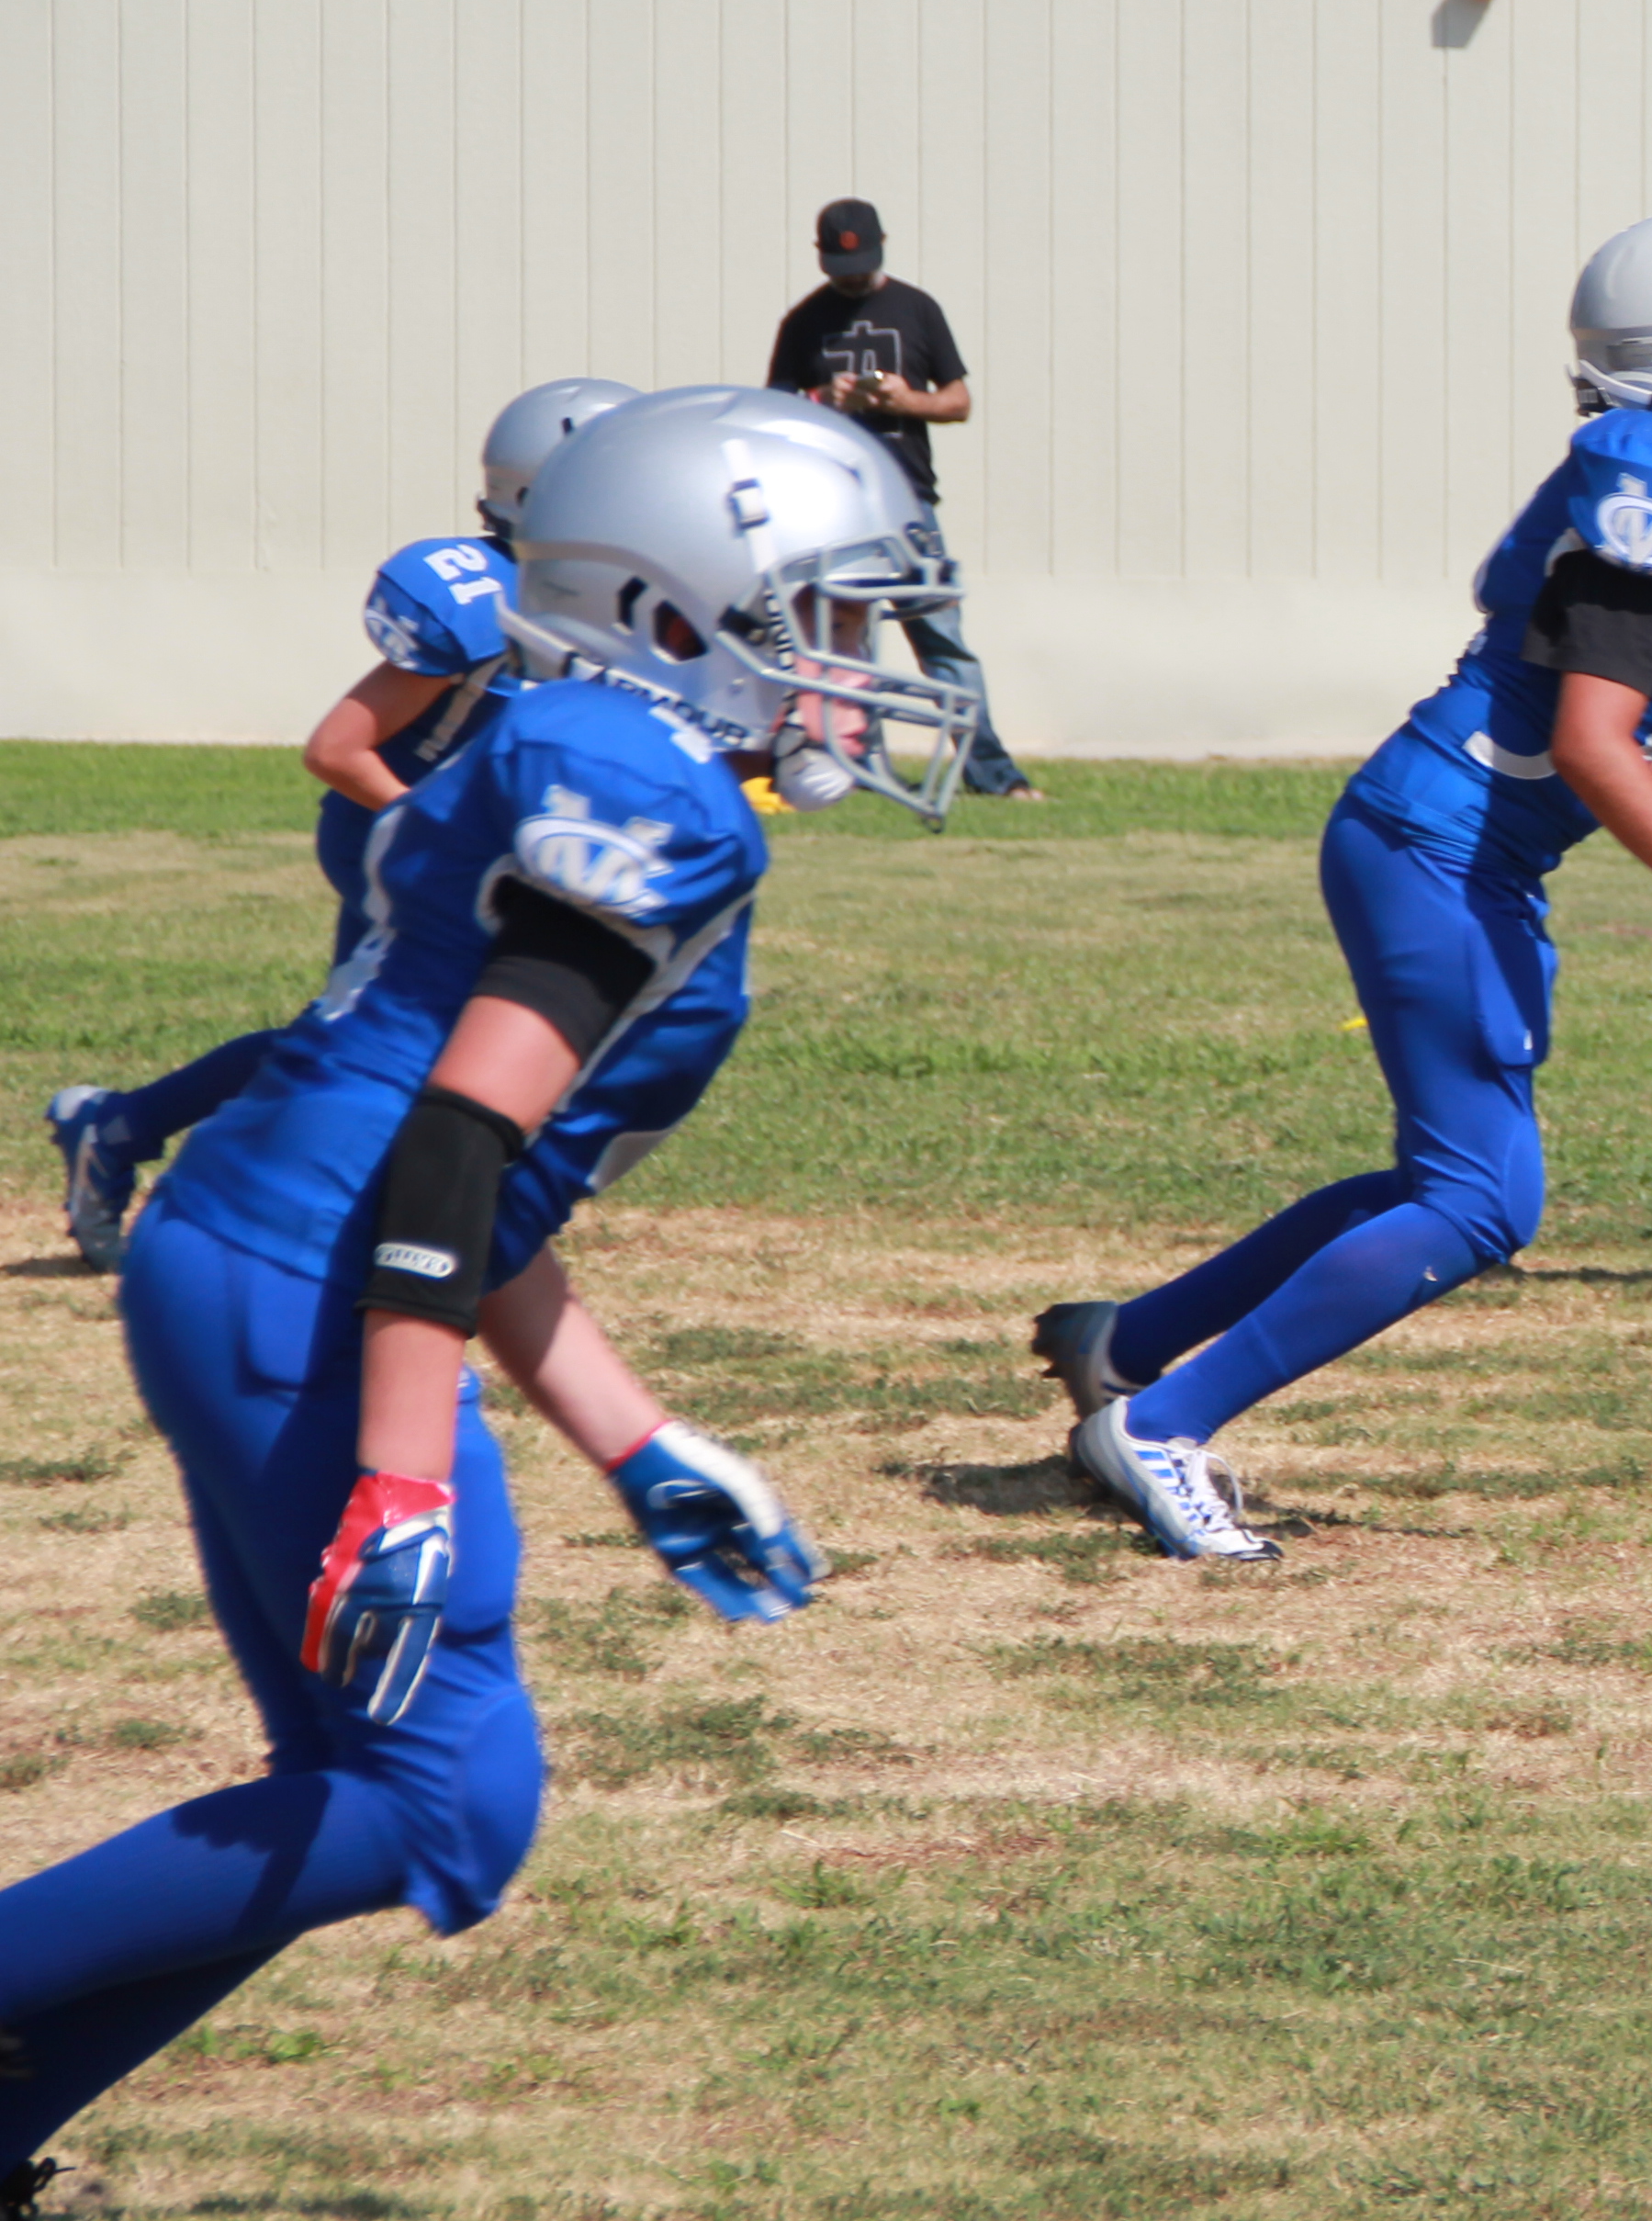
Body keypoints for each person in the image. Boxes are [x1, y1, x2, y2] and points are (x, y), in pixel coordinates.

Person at [0, 389, 971, 2197]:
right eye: (829, 609)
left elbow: (469, 1171)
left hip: (260, 1249)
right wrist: (399, 1477)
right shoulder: (646, 790)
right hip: (317, 1286)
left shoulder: (574, 735)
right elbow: (448, 1157)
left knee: (347, 1784)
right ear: (674, 613)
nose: (867, 653)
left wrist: (634, 1436)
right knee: (443, 1797)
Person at [1026, 213, 1652, 1561]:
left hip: (1439, 838)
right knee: (1480, 1202)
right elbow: (1585, 746)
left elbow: (1604, 740)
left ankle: (1132, 1342)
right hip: (1442, 851)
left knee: (1441, 1178)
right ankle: (1161, 1421)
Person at [48, 378, 635, 1269]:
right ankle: (142, 1137)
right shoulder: (484, 599)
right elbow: (337, 748)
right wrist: (438, 834)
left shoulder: (590, 605)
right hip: (395, 835)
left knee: (371, 1039)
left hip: (474, 849)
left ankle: (125, 1126)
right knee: (371, 1043)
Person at [765, 197, 1042, 799]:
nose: (853, 276)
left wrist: (902, 402)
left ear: (882, 245)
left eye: (862, 262)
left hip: (907, 505)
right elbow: (774, 414)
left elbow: (958, 401)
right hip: (830, 509)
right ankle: (860, 772)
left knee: (942, 639)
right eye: (840, 267)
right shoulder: (802, 323)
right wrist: (824, 399)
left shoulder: (917, 310)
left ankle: (993, 775)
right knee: (845, 646)